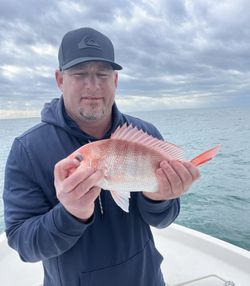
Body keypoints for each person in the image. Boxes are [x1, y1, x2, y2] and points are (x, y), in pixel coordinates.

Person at [3, 27, 200, 286]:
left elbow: (165, 218)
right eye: (80, 74)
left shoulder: (146, 133)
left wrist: (159, 199)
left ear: (116, 80)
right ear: (60, 79)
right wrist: (71, 214)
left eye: (102, 74)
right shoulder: (27, 149)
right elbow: (24, 245)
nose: (93, 85)